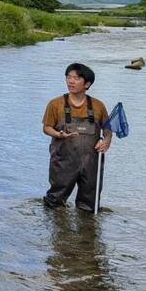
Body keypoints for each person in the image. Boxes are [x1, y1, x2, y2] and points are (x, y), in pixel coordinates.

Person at [42, 63, 111, 211]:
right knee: (54, 203)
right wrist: (58, 134)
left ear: (87, 84)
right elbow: (46, 128)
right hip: (63, 162)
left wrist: (107, 141)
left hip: (91, 163)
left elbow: (107, 129)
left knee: (90, 207)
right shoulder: (55, 104)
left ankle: (86, 230)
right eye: (68, 77)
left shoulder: (98, 106)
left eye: (76, 78)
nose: (70, 81)